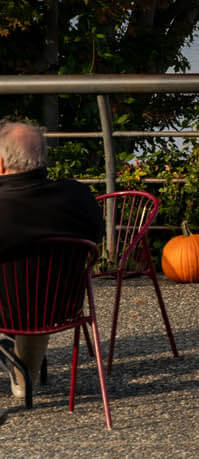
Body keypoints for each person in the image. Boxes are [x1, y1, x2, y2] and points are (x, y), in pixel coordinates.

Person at [0, 121, 102, 402]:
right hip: (59, 309)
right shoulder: (79, 198)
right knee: (30, 294)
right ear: (44, 158)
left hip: (5, 314)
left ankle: (18, 369)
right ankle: (24, 376)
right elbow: (96, 236)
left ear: (1, 162)